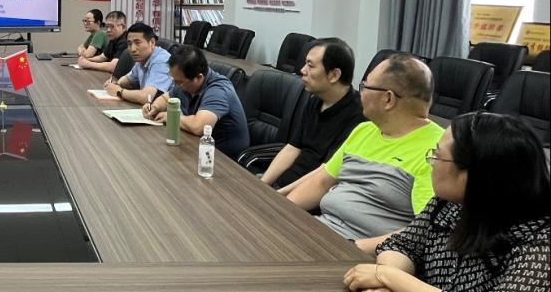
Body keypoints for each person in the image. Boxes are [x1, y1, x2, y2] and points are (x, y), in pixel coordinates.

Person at [344, 112, 550, 292]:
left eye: (438, 155)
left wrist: (390, 277)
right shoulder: (449, 203)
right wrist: (386, 283)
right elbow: (402, 246)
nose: (431, 162)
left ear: (472, 174)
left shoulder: (540, 241)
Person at [287, 53, 444, 253]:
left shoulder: (439, 151)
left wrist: (352, 248)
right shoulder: (364, 130)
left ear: (388, 99)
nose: (360, 93)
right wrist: (282, 212)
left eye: (365, 87)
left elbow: (424, 231)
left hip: (360, 253)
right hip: (321, 231)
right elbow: (322, 182)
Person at [261, 38, 366, 188]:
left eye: (310, 66)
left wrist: (278, 194)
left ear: (334, 75)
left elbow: (325, 174)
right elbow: (292, 148)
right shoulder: (315, 100)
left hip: (308, 192)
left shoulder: (359, 116)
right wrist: (262, 184)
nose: (302, 70)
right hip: (284, 184)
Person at [143, 45, 249, 158]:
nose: (176, 85)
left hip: (223, 157)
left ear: (199, 77)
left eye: (179, 82)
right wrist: (155, 107)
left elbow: (199, 127)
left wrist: (172, 117)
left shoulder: (218, 91)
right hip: (198, 146)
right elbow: (166, 98)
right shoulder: (186, 82)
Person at [103, 23, 172, 105]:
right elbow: (129, 79)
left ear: (152, 43)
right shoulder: (142, 58)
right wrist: (115, 84)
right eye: (129, 44)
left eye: (137, 43)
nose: (133, 49)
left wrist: (119, 91)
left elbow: (147, 97)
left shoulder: (161, 61)